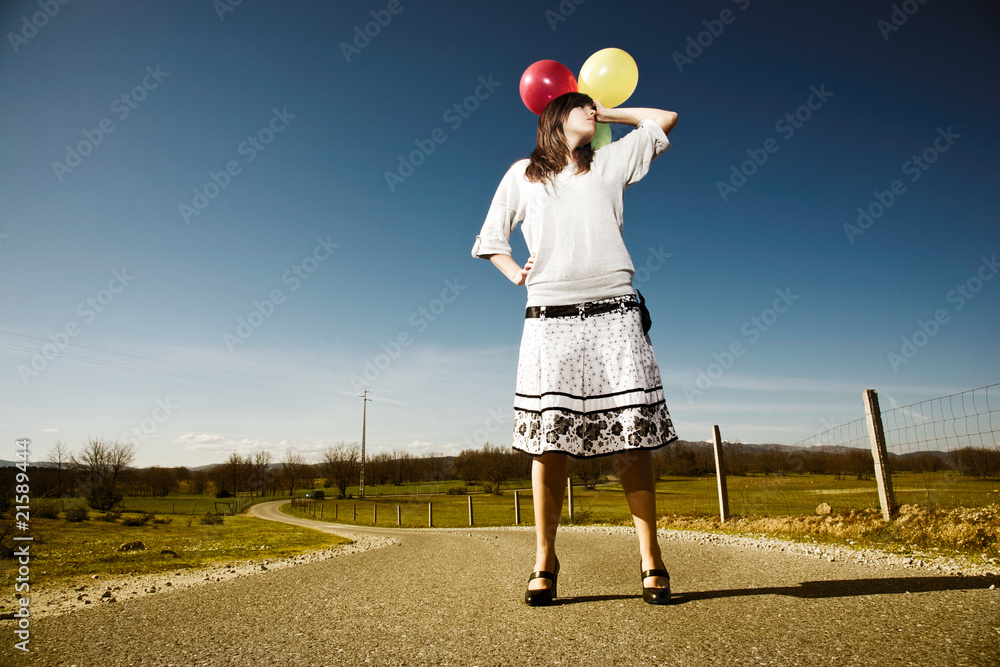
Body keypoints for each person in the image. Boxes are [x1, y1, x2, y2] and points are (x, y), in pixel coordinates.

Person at [471, 91, 679, 605]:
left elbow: (664, 118)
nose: (591, 111)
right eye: (581, 106)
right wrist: (513, 273)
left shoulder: (609, 161)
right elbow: (491, 239)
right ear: (554, 116)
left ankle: (650, 558)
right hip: (549, 315)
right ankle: (545, 558)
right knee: (550, 442)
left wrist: (606, 114)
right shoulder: (525, 173)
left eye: (593, 107)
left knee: (632, 438)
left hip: (615, 309)